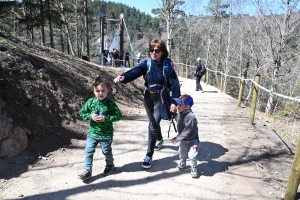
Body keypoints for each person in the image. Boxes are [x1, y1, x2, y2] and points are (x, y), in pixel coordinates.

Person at [113, 39, 181, 169]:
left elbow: (175, 85)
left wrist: (174, 102)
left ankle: (149, 155)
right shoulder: (147, 64)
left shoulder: (167, 67)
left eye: (157, 51)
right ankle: (159, 139)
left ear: (162, 52)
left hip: (161, 98)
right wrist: (123, 77)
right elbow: (135, 71)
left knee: (153, 124)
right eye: (151, 50)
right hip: (148, 97)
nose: (153, 53)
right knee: (153, 122)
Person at [78, 77, 122, 181]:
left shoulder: (110, 103)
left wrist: (107, 118)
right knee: (89, 150)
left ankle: (110, 164)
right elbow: (82, 113)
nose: (100, 93)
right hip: (92, 133)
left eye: (103, 91)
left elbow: (118, 115)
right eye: (97, 91)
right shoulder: (90, 102)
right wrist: (90, 116)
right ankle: (87, 170)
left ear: (108, 90)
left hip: (106, 134)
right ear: (93, 90)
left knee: (106, 151)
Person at [170, 94, 199, 178]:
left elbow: (187, 130)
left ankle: (194, 167)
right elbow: (179, 120)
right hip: (183, 140)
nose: (178, 106)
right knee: (182, 153)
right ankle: (183, 161)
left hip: (193, 139)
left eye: (180, 104)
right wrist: (174, 114)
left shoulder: (191, 117)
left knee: (192, 155)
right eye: (178, 104)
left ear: (188, 107)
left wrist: (177, 138)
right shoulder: (180, 113)